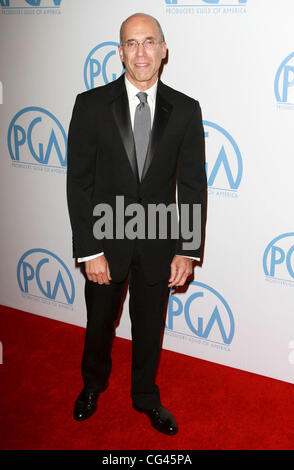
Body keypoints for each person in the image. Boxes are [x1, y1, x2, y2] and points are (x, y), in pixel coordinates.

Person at [67, 12, 207, 436]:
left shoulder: (185, 110)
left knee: (149, 327)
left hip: (159, 244)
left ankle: (145, 396)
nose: (141, 52)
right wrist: (89, 249)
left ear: (164, 50)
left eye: (149, 42)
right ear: (120, 52)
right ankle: (92, 385)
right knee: (98, 324)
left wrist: (188, 248)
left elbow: (194, 185)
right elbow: (79, 183)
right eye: (131, 43)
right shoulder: (90, 105)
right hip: (106, 242)